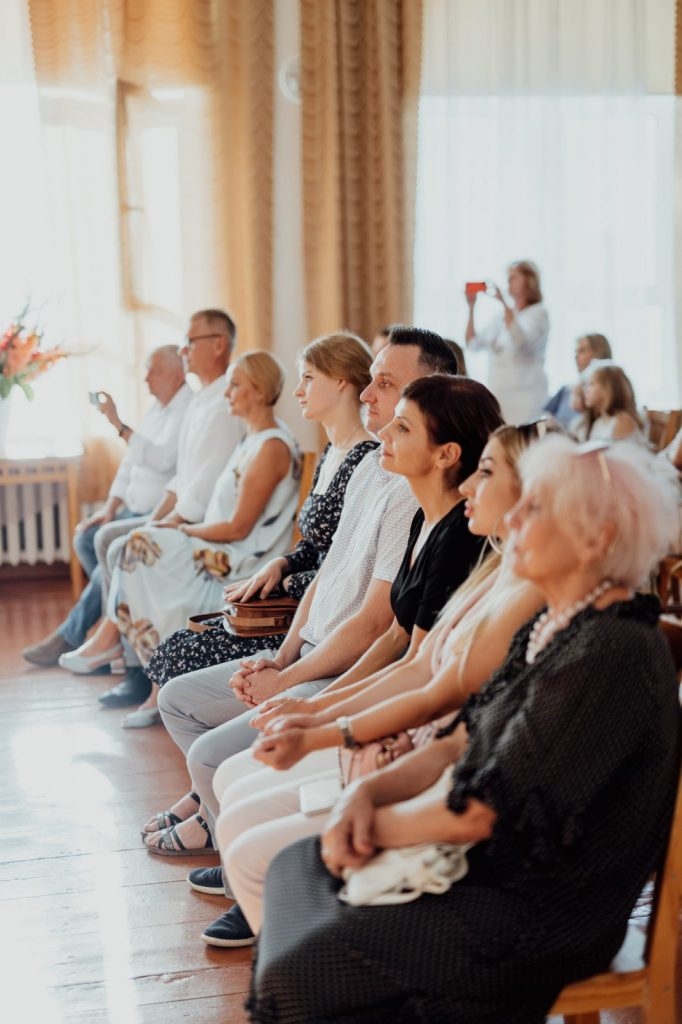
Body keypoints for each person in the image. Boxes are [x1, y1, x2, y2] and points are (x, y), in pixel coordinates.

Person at [247, 437, 680, 1024]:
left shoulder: (613, 649)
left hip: (539, 911)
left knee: (303, 969)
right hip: (484, 868)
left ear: (597, 539)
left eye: (536, 508)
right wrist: (365, 794)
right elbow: (459, 739)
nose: (516, 518)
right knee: (294, 870)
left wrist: (372, 826)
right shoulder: (557, 625)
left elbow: (485, 812)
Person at [198, 422, 543, 946]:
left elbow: (434, 693)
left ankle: (301, 961)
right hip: (412, 751)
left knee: (246, 841)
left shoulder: (509, 581)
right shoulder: (490, 567)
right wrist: (310, 712)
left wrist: (323, 728)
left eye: (488, 473)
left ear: (536, 494)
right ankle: (293, 954)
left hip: (427, 768)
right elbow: (418, 667)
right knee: (236, 799)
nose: (471, 484)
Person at [146, 328, 460, 855]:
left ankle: (233, 861)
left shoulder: (414, 490)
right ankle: (212, 815)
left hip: (337, 668)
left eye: (383, 383)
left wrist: (290, 681)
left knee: (208, 755)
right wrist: (279, 660)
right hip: (307, 652)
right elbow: (327, 570)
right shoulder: (368, 465)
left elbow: (379, 627)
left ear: (430, 393)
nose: (366, 392)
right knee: (177, 700)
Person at [60, 350, 298, 711]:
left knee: (138, 545)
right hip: (223, 544)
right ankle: (144, 663)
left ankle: (134, 657)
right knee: (135, 542)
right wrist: (178, 525)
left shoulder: (271, 447)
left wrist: (186, 530)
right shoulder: (250, 440)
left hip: (241, 557)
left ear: (260, 391)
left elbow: (238, 527)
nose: (227, 393)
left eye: (235, 385)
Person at [143, 332, 378, 695]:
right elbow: (313, 547)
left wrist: (285, 582)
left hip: (319, 614)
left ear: (341, 382)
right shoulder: (333, 451)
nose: (298, 390)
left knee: (182, 652)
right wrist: (281, 564)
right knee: (178, 643)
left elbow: (347, 566)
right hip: (300, 596)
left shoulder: (366, 458)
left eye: (309, 378)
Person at [57, 308, 244, 710]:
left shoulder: (223, 402)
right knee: (107, 535)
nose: (184, 349)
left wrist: (163, 524)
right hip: (176, 511)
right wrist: (154, 518)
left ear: (218, 345)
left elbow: (201, 486)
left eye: (190, 341)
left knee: (119, 541)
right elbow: (179, 478)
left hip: (205, 524)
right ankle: (123, 652)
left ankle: (120, 651)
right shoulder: (200, 402)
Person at [21, 346, 192, 668]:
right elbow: (131, 463)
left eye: (152, 370)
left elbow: (162, 460)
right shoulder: (157, 408)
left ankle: (77, 634)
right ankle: (112, 624)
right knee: (85, 537)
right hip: (131, 508)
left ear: (176, 374)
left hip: (158, 512)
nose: (145, 379)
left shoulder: (188, 409)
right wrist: (109, 508)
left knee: (109, 552)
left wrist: (119, 424)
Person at [465, 259, 549, 422]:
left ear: (529, 280)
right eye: (508, 278)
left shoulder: (538, 313)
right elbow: (472, 344)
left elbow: (521, 341)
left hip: (526, 399)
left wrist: (503, 303)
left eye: (513, 278)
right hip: (499, 395)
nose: (508, 283)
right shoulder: (500, 318)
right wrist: (471, 307)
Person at [543, 332, 612, 429]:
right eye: (576, 352)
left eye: (582, 351)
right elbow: (544, 417)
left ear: (598, 353)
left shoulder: (609, 392)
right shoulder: (565, 391)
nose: (576, 356)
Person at [577, 363, 644, 442]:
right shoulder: (599, 423)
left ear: (608, 389)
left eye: (591, 384)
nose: (585, 390)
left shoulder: (622, 421)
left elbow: (619, 453)